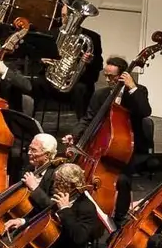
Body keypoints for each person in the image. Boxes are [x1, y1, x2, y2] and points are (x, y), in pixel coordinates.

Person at [64, 56, 153, 222]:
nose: (108, 80)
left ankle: (120, 217)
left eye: (112, 76)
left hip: (125, 149)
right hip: (100, 146)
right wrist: (75, 135)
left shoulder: (137, 92)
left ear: (123, 75)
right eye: (106, 75)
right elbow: (87, 119)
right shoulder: (100, 95)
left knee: (123, 180)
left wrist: (132, 87)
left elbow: (145, 111)